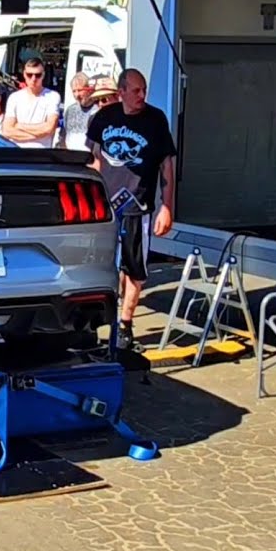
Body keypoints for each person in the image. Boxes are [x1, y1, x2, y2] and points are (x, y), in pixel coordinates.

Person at [86, 68, 178, 351]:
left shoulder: (155, 119)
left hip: (138, 203)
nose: (142, 96)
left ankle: (125, 325)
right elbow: (94, 161)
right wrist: (90, 200)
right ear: (122, 91)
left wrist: (167, 207)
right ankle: (95, 323)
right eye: (136, 90)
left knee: (134, 268)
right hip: (106, 205)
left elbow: (167, 166)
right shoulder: (104, 118)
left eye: (144, 90)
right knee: (101, 266)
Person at [0, 58, 61, 148]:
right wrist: (39, 134)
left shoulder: (52, 96)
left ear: (43, 75)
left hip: (41, 154)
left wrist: (19, 126)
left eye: (38, 75)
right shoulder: (14, 97)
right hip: (17, 152)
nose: (33, 79)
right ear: (24, 74)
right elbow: (7, 131)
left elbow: (49, 128)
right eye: (29, 75)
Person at [58, 72, 97, 151]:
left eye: (79, 90)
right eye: (74, 91)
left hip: (88, 155)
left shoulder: (97, 110)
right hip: (70, 155)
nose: (76, 95)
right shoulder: (70, 110)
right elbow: (63, 135)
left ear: (88, 89)